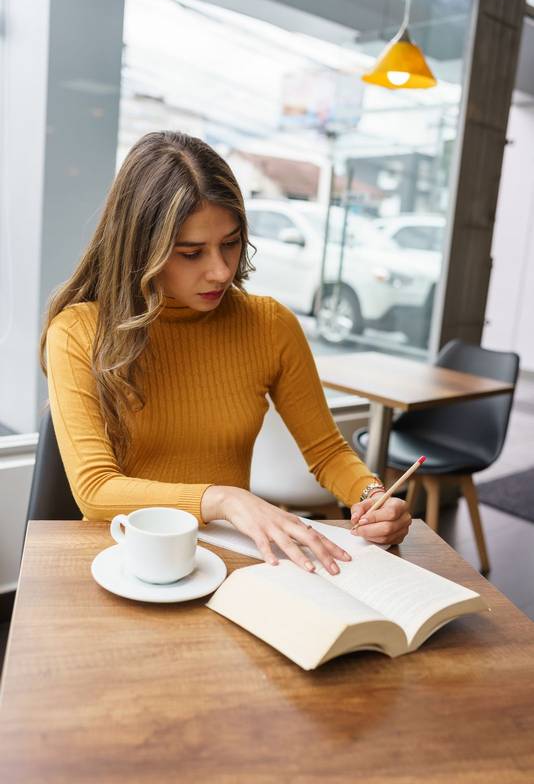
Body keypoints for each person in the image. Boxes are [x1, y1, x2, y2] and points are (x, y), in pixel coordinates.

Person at [41, 131, 411, 576]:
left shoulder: (270, 325)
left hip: (231, 560)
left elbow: (327, 450)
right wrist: (224, 498)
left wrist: (371, 496)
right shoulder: (79, 332)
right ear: (141, 250)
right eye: (191, 253)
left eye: (231, 243)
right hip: (122, 562)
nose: (220, 270)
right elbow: (96, 490)